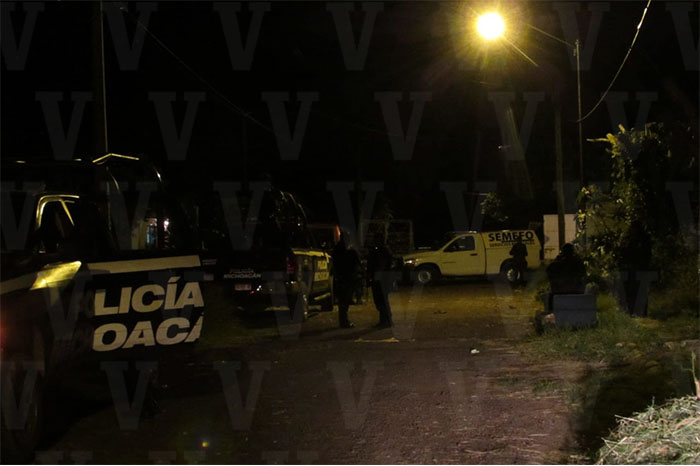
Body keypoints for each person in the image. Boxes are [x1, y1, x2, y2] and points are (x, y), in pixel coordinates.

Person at [332, 234, 361, 328]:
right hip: (347, 278)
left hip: (341, 277)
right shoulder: (349, 250)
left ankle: (343, 320)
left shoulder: (337, 249)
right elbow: (356, 263)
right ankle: (344, 321)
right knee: (345, 300)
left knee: (342, 301)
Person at [367, 233, 394, 328]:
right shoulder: (380, 250)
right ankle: (385, 320)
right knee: (381, 301)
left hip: (381, 279)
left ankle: (386, 321)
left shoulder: (383, 251)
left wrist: (375, 277)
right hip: (381, 279)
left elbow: (381, 266)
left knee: (381, 301)